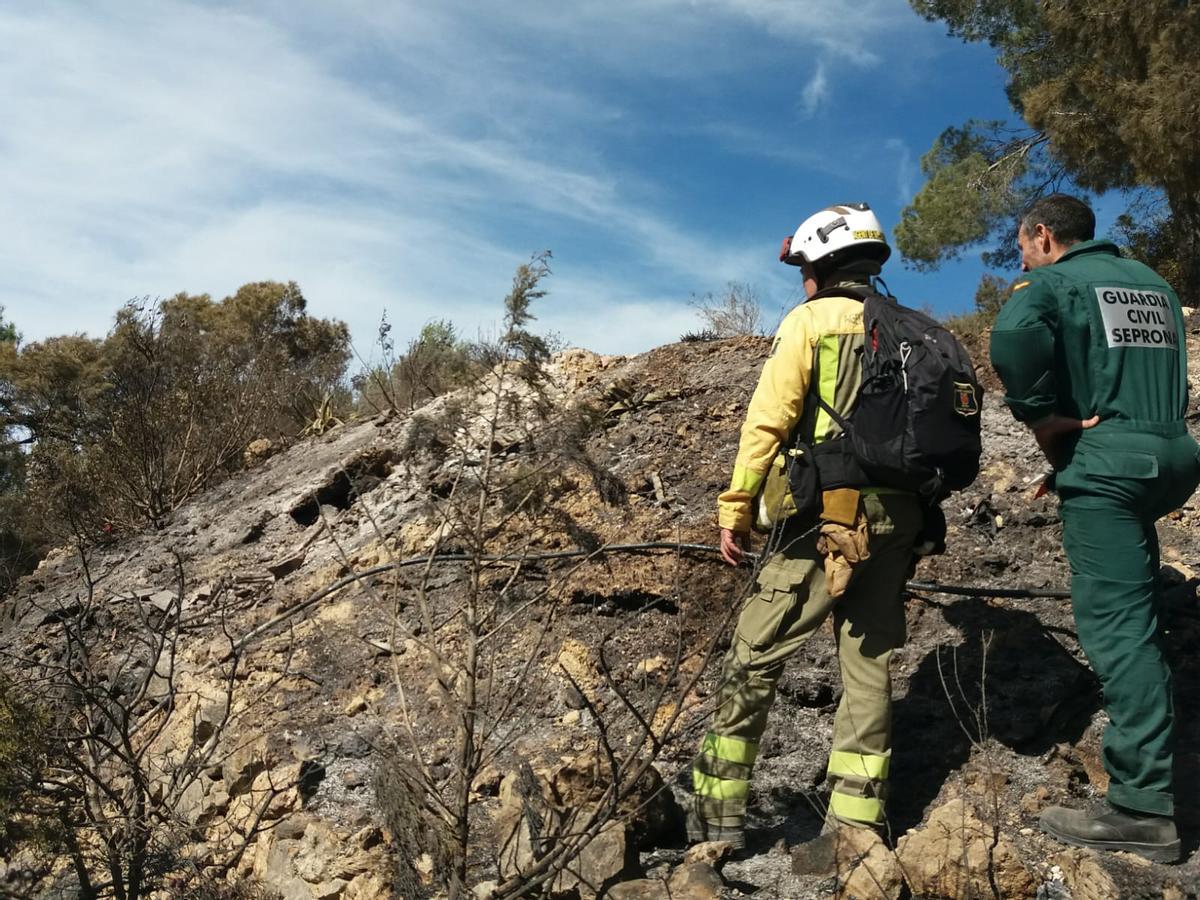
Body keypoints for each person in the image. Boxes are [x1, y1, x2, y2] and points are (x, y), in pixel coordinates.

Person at [688, 203, 924, 848]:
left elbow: (768, 420)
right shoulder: (908, 327)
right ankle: (856, 826)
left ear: (820, 265)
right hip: (901, 517)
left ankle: (714, 819)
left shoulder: (811, 321)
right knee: (868, 664)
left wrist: (736, 508)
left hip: (829, 517)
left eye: (803, 268)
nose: (802, 280)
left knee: (753, 654)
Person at [990, 193, 1199, 863]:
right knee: (1138, 603)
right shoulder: (1152, 283)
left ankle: (1141, 807)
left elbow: (1014, 338)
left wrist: (1041, 416)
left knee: (1121, 631)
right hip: (1171, 456)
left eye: (1022, 247)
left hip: (1112, 465)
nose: (1022, 259)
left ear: (1043, 235)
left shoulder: (1053, 284)